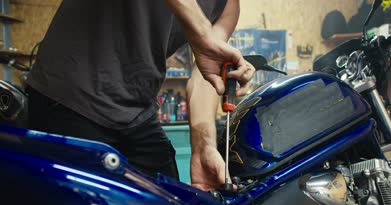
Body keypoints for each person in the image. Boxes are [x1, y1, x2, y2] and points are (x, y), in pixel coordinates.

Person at [26, 0, 254, 190]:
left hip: (136, 113)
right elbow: (205, 40)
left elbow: (207, 75)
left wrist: (204, 145)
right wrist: (202, 31)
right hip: (69, 97)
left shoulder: (227, 7)